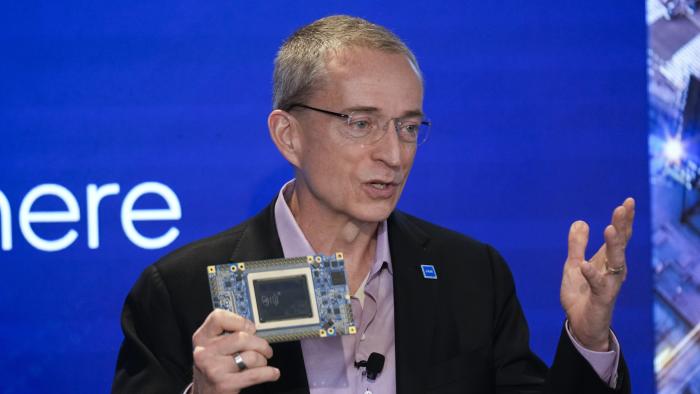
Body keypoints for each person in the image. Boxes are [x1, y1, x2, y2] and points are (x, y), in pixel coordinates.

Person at [112, 15, 634, 394]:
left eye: (408, 127)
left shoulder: (472, 274)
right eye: (360, 124)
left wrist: (588, 336)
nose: (393, 154)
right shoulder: (181, 290)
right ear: (288, 136)